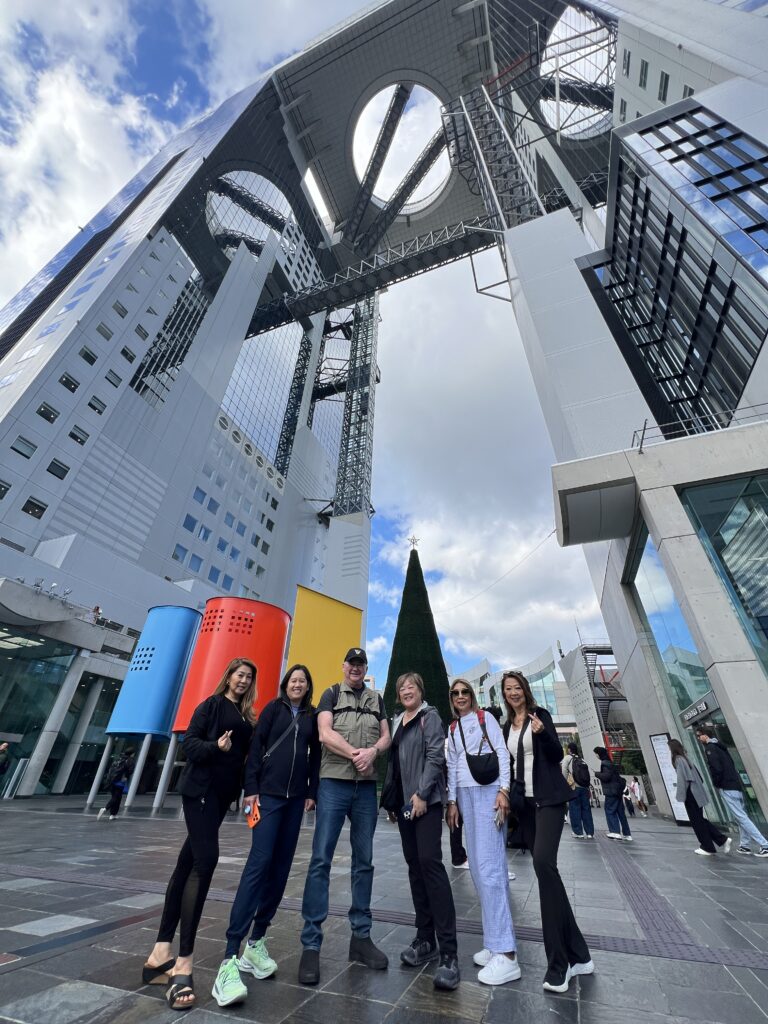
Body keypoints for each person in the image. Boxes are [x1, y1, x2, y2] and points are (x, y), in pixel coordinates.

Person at [142, 657, 257, 1011]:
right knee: (205, 862)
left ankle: (159, 953)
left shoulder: (245, 717)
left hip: (220, 799)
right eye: (240, 674)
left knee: (186, 864)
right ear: (228, 676)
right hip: (200, 792)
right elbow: (189, 745)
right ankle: (184, 963)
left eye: (249, 677)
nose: (243, 680)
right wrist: (215, 748)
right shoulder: (211, 705)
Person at [212, 664, 320, 1007]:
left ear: (307, 687)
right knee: (258, 865)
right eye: (293, 680)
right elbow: (256, 750)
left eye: (303, 681)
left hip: (294, 802)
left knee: (281, 869)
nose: (297, 684)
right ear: (285, 683)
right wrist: (251, 789)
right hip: (268, 798)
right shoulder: (272, 710)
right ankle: (230, 953)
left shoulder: (312, 716)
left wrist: (312, 792)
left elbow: (315, 757)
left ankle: (256, 943)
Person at [298, 647, 391, 985]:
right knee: (321, 860)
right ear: (344, 667)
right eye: (352, 663)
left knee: (364, 861)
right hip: (333, 785)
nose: (356, 668)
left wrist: (374, 752)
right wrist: (358, 754)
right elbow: (324, 733)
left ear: (365, 669)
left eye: (361, 664)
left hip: (365, 790)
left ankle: (361, 939)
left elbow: (386, 736)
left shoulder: (376, 699)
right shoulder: (331, 693)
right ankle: (311, 944)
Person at [502, 671, 592, 994]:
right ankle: (580, 953)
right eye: (508, 689)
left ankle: (559, 964)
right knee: (548, 876)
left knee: (543, 865)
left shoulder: (542, 716)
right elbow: (509, 765)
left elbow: (556, 755)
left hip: (549, 801)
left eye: (517, 688)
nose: (513, 693)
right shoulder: (506, 726)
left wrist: (543, 734)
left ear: (526, 690)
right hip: (524, 807)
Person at [381, 672, 459, 990]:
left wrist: (423, 794)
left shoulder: (431, 717)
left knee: (430, 865)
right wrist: (393, 800)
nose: (406, 690)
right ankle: (425, 939)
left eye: (412, 686)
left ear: (421, 691)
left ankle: (450, 953)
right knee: (415, 868)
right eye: (402, 688)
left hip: (426, 803)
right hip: (404, 805)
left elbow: (435, 756)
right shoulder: (399, 722)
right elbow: (395, 766)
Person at [446, 678, 519, 986]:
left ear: (472, 696)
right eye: (456, 693)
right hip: (464, 794)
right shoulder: (452, 728)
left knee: (490, 869)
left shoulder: (484, 718)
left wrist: (504, 789)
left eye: (465, 692)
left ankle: (507, 953)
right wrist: (452, 800)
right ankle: (494, 942)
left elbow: (502, 753)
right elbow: (451, 765)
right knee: (477, 868)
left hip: (489, 793)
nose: (461, 696)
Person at [695, 726, 768, 857]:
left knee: (741, 817)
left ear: (705, 735)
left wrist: (717, 784)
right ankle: (745, 845)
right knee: (741, 816)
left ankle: (764, 844)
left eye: (699, 735)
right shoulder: (721, 747)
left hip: (727, 786)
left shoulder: (710, 749)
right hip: (736, 785)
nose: (699, 738)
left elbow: (716, 769)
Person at [668, 738, 730, 857]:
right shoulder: (686, 758)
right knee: (700, 819)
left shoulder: (678, 760)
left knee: (697, 822)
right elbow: (699, 777)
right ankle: (721, 839)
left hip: (690, 793)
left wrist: (680, 796)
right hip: (696, 792)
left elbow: (682, 779)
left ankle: (707, 847)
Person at [594, 747, 632, 841]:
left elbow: (606, 777)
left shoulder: (605, 763)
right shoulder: (610, 762)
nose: (596, 755)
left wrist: (597, 774)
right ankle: (627, 834)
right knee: (620, 812)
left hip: (611, 791)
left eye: (596, 753)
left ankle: (615, 832)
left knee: (610, 810)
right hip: (618, 791)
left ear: (599, 754)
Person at [561, 742, 594, 839]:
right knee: (586, 810)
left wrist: (564, 785)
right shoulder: (582, 759)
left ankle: (578, 832)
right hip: (584, 788)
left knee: (574, 809)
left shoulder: (567, 758)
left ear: (569, 749)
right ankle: (590, 833)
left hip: (574, 787)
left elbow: (564, 772)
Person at [97, 746, 136, 820]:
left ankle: (113, 814)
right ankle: (105, 809)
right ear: (132, 754)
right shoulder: (130, 760)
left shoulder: (119, 758)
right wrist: (126, 777)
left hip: (112, 780)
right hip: (120, 781)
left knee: (116, 797)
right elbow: (130, 770)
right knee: (117, 797)